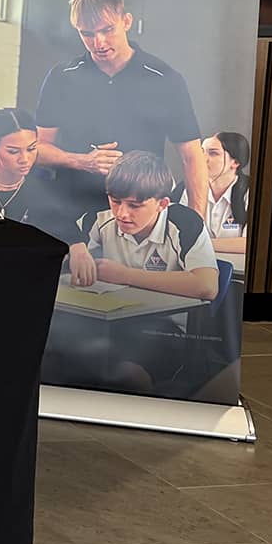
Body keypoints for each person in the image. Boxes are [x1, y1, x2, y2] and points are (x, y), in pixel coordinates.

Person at [34, 0, 209, 221]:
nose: (99, 42)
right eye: (87, 34)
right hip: (73, 214)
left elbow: (192, 157)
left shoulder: (165, 80)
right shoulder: (62, 77)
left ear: (126, 21)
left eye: (107, 29)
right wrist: (83, 161)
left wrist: (196, 224)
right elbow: (38, 149)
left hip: (140, 215)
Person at [51, 151, 220, 393]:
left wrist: (124, 275)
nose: (122, 213)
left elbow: (206, 285)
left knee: (127, 377)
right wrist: (76, 252)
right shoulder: (100, 220)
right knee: (60, 361)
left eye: (135, 205)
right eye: (115, 201)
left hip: (165, 328)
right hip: (110, 322)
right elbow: (61, 246)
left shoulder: (184, 223)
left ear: (162, 204)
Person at [0, 108, 68, 234]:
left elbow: (70, 234)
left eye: (31, 149)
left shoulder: (44, 192)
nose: (25, 159)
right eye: (13, 151)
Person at [198, 132, 252, 254]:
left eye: (213, 153)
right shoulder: (187, 189)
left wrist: (200, 244)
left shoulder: (250, 192)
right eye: (202, 152)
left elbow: (249, 243)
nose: (203, 159)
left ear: (236, 162)